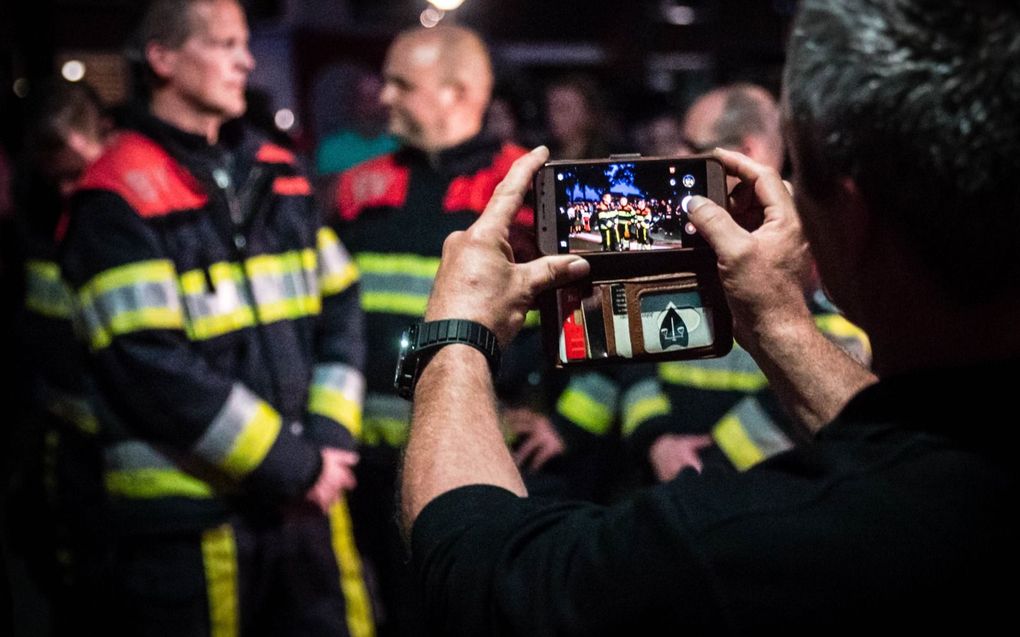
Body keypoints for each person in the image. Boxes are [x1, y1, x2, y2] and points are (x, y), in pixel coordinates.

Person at [399, 0, 1019, 633]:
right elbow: (914, 450)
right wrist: (777, 322)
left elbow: (486, 576)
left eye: (799, 174)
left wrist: (455, 336)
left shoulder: (752, 544)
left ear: (855, 220)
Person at [59, 1, 373, 634]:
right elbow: (147, 363)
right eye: (226, 45)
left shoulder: (277, 174)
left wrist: (330, 439)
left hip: (307, 505)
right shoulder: (115, 195)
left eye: (244, 44)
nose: (247, 62)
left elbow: (341, 306)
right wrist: (295, 463)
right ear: (163, 59)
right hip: (190, 523)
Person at [330, 24, 535, 635]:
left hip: (475, 460)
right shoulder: (357, 188)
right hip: (367, 460)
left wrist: (551, 412)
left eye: (401, 83)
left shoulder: (519, 194)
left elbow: (566, 322)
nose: (382, 96)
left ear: (458, 91)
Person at [625, 82, 869, 483]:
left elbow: (833, 364)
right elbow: (630, 349)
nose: (676, 156)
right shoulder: (669, 234)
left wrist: (715, 465)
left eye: (691, 144)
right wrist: (656, 440)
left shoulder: (816, 240)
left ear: (744, 152)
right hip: (662, 481)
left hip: (767, 491)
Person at [7, 79, 113, 634]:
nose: (70, 188)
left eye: (78, 172)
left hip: (118, 442)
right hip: (64, 438)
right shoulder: (38, 219)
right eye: (57, 179)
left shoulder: (122, 216)